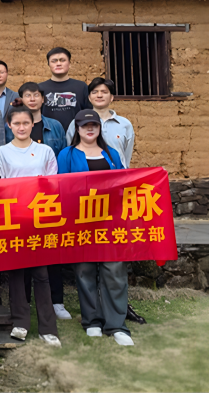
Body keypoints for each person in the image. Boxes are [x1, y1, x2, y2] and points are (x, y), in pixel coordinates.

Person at [58, 109, 133, 346]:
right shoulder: (67, 154)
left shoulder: (111, 154)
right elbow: (61, 187)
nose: (89, 129)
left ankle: (116, 325)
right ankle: (92, 321)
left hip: (110, 222)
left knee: (115, 271)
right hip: (80, 221)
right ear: (77, 129)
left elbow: (123, 183)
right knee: (84, 272)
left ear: (100, 128)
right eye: (84, 125)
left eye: (94, 125)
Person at [0, 101, 61, 347]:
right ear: (9, 125)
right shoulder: (1, 152)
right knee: (16, 273)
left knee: (41, 274)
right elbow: (1, 186)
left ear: (33, 124)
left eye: (26, 123)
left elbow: (53, 184)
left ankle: (48, 328)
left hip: (40, 218)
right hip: (14, 218)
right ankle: (20, 322)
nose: (21, 127)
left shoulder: (45, 151)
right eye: (17, 123)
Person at [65, 78, 135, 167]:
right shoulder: (77, 122)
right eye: (94, 92)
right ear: (89, 98)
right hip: (85, 172)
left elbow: (126, 156)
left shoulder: (124, 124)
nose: (99, 95)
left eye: (104, 92)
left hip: (117, 174)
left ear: (111, 97)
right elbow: (70, 150)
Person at [5, 82, 66, 157]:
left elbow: (63, 156)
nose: (32, 99)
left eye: (36, 95)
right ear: (21, 99)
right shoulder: (10, 127)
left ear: (42, 99)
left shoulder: (55, 126)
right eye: (28, 95)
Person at [40, 47, 91, 132]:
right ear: (48, 64)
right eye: (54, 61)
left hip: (76, 135)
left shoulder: (81, 86)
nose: (58, 63)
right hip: (48, 135)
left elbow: (89, 113)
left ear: (69, 64)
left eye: (62, 60)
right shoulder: (40, 88)